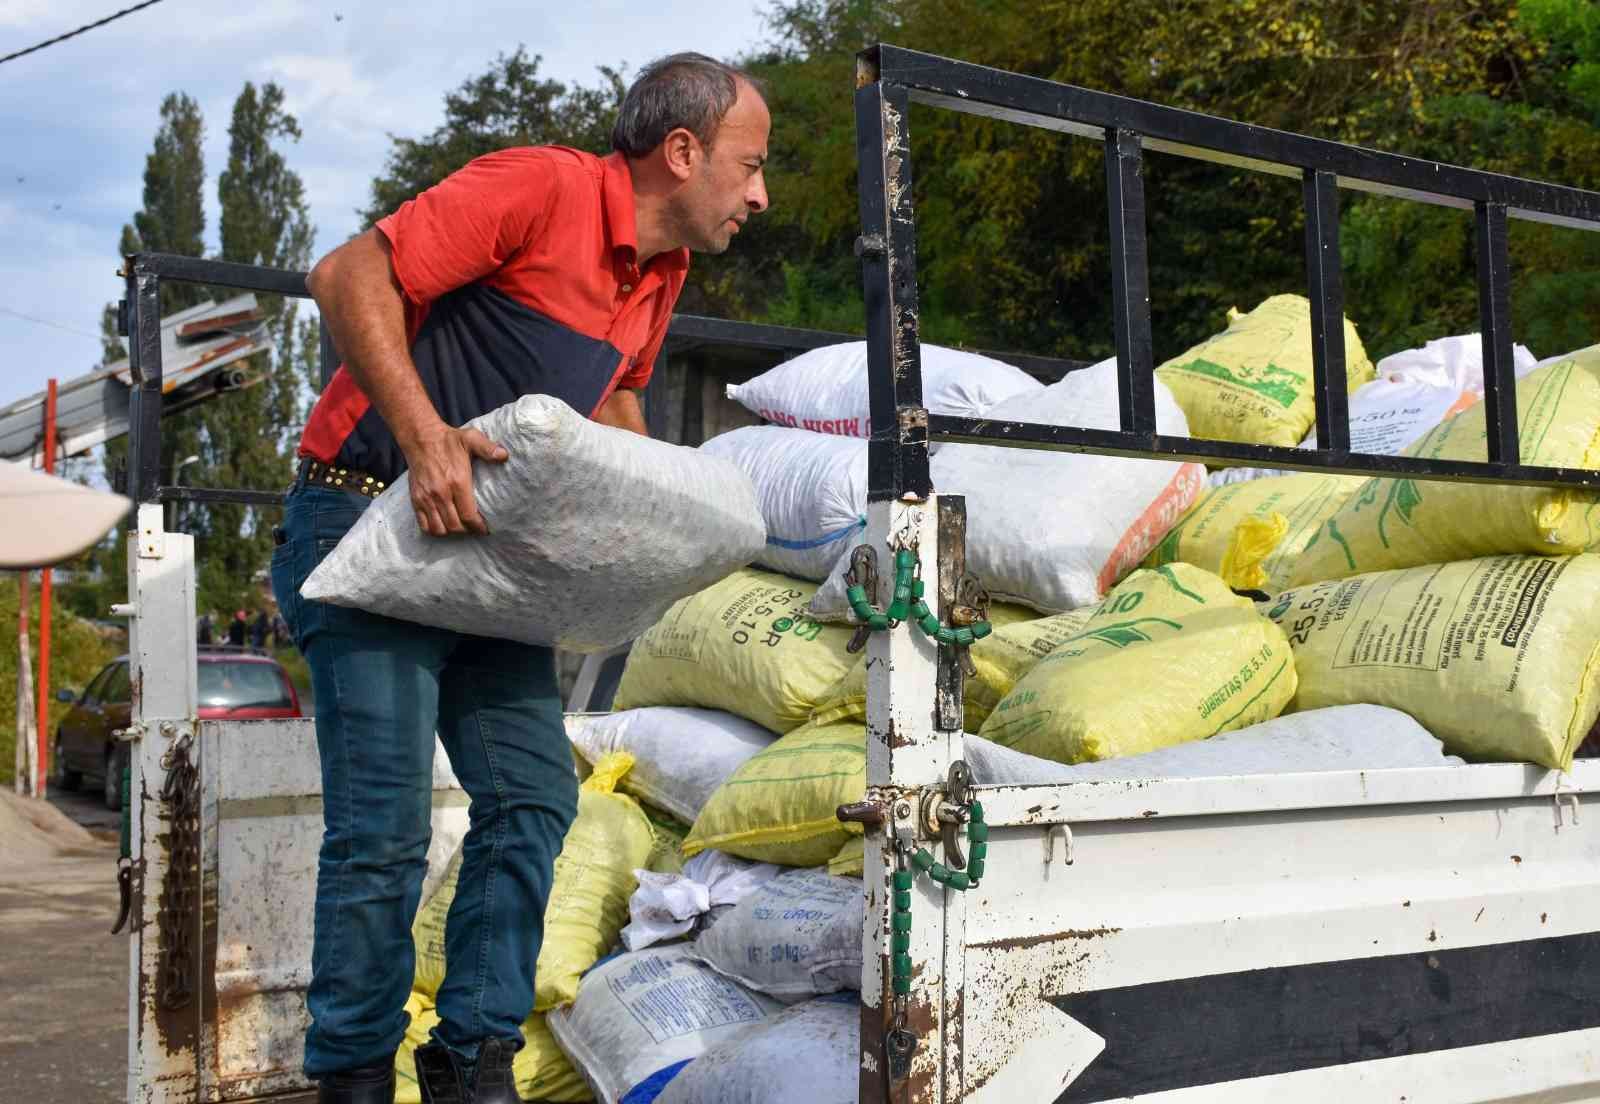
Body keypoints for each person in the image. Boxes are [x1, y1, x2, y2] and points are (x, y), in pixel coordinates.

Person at [273, 54, 769, 1104]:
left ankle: (470, 1062)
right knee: (385, 826)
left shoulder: (660, 272)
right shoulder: (541, 186)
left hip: (484, 560)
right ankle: (352, 1076)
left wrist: (672, 532)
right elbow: (346, 274)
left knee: (533, 791)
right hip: (362, 518)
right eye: (750, 164)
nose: (759, 194)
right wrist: (424, 438)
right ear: (682, 153)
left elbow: (618, 422)